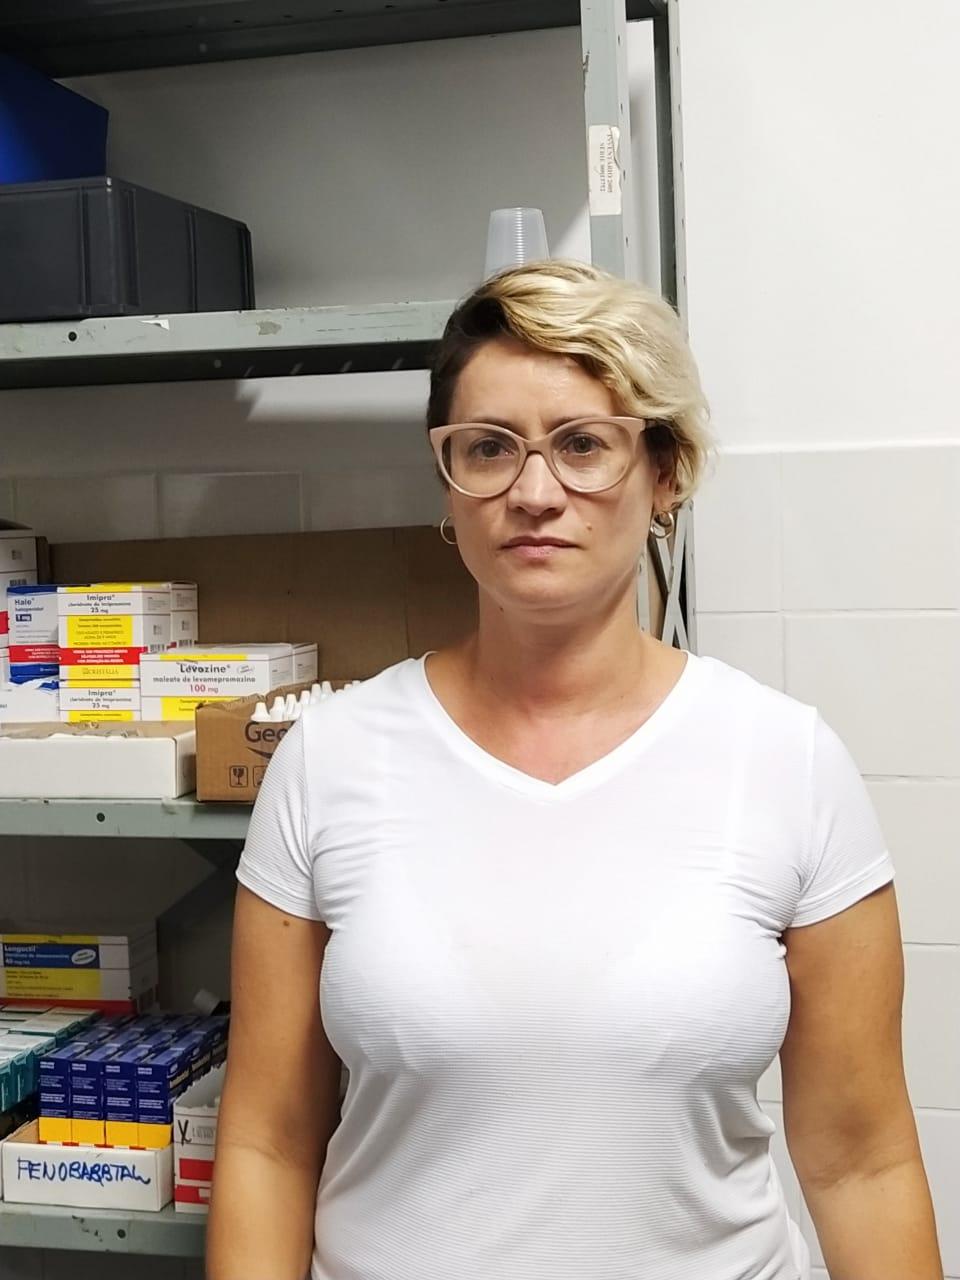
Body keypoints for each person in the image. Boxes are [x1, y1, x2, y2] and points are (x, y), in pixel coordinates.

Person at [206, 261, 942, 1280]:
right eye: (488, 447)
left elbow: (861, 1161)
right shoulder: (330, 758)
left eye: (583, 444)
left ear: (665, 474)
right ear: (448, 482)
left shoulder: (785, 761)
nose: (534, 491)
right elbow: (268, 1143)